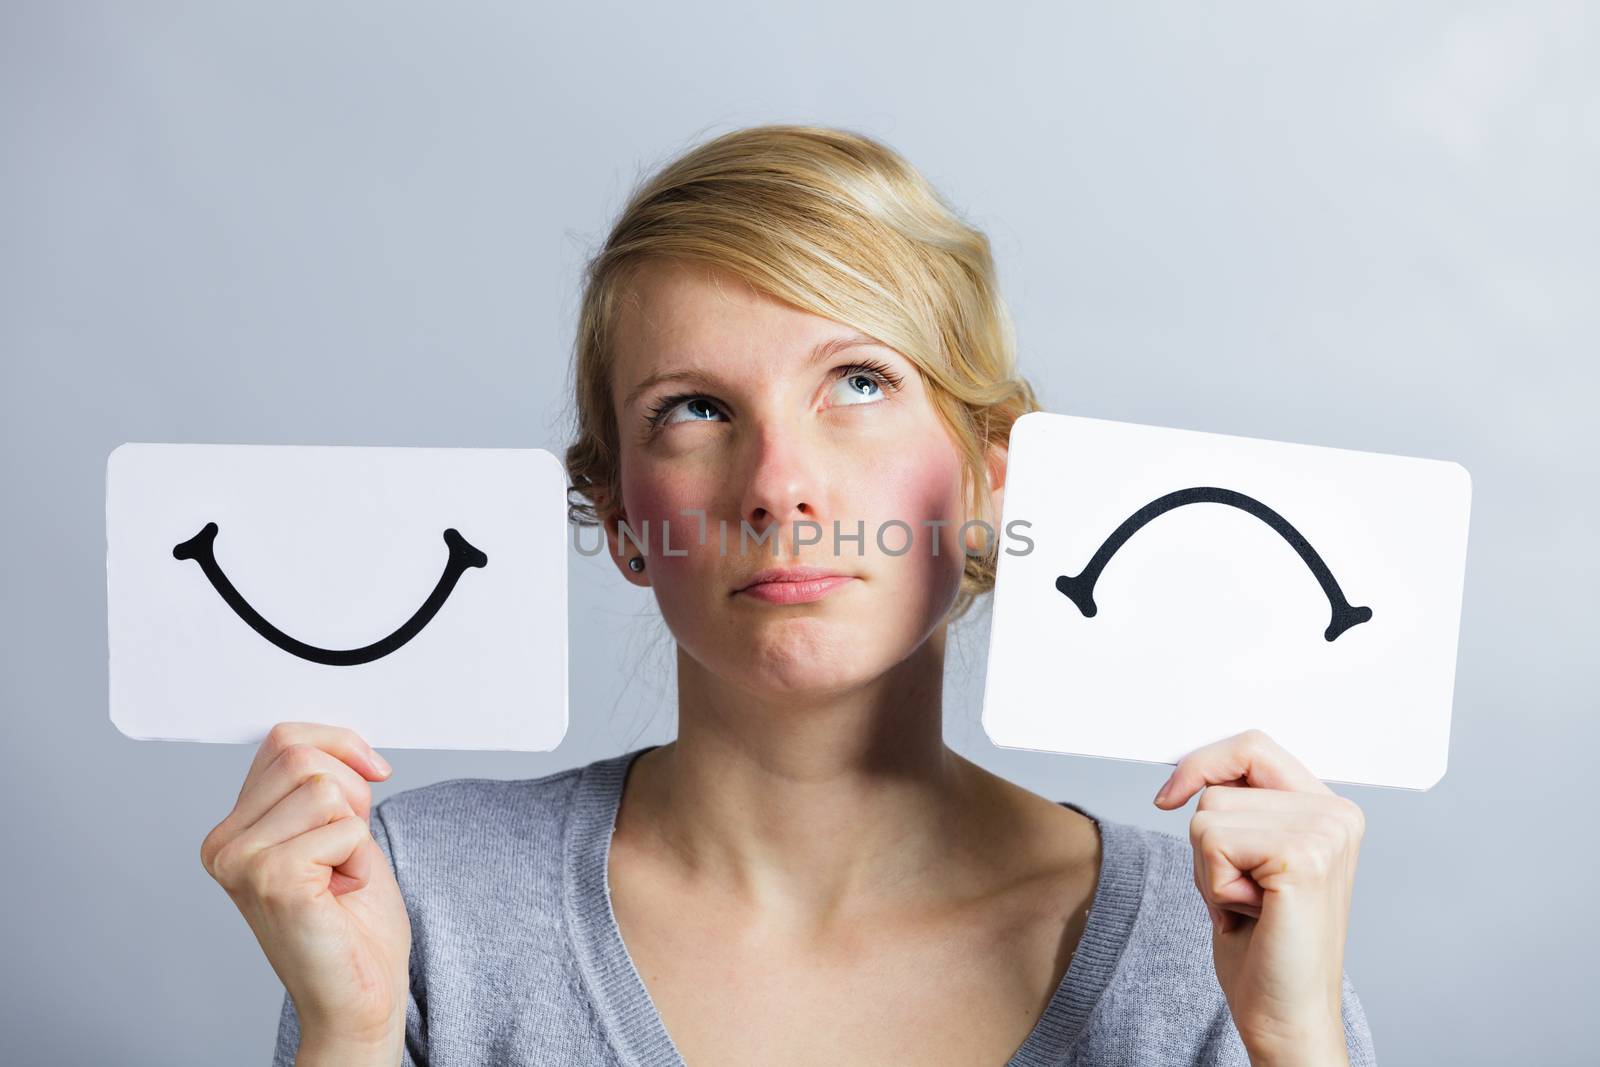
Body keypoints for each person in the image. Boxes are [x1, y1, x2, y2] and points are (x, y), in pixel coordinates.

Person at [201, 124, 1377, 1066]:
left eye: (858, 381)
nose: (779, 487)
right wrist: (348, 1036)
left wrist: (1296, 1045)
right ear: (618, 517)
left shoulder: (1213, 941)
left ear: (990, 473)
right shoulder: (421, 903)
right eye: (694, 409)